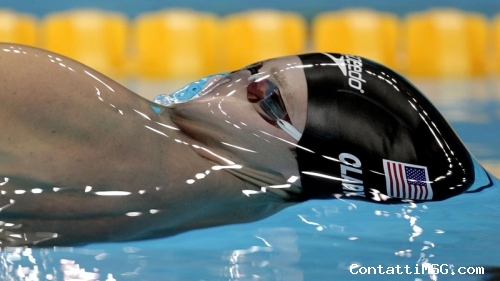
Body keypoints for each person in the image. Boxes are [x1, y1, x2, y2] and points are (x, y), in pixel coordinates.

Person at [0, 43, 494, 247]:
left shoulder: (65, 96)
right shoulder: (235, 212)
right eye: (258, 69)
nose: (248, 80)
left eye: (271, 102)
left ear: (305, 171)